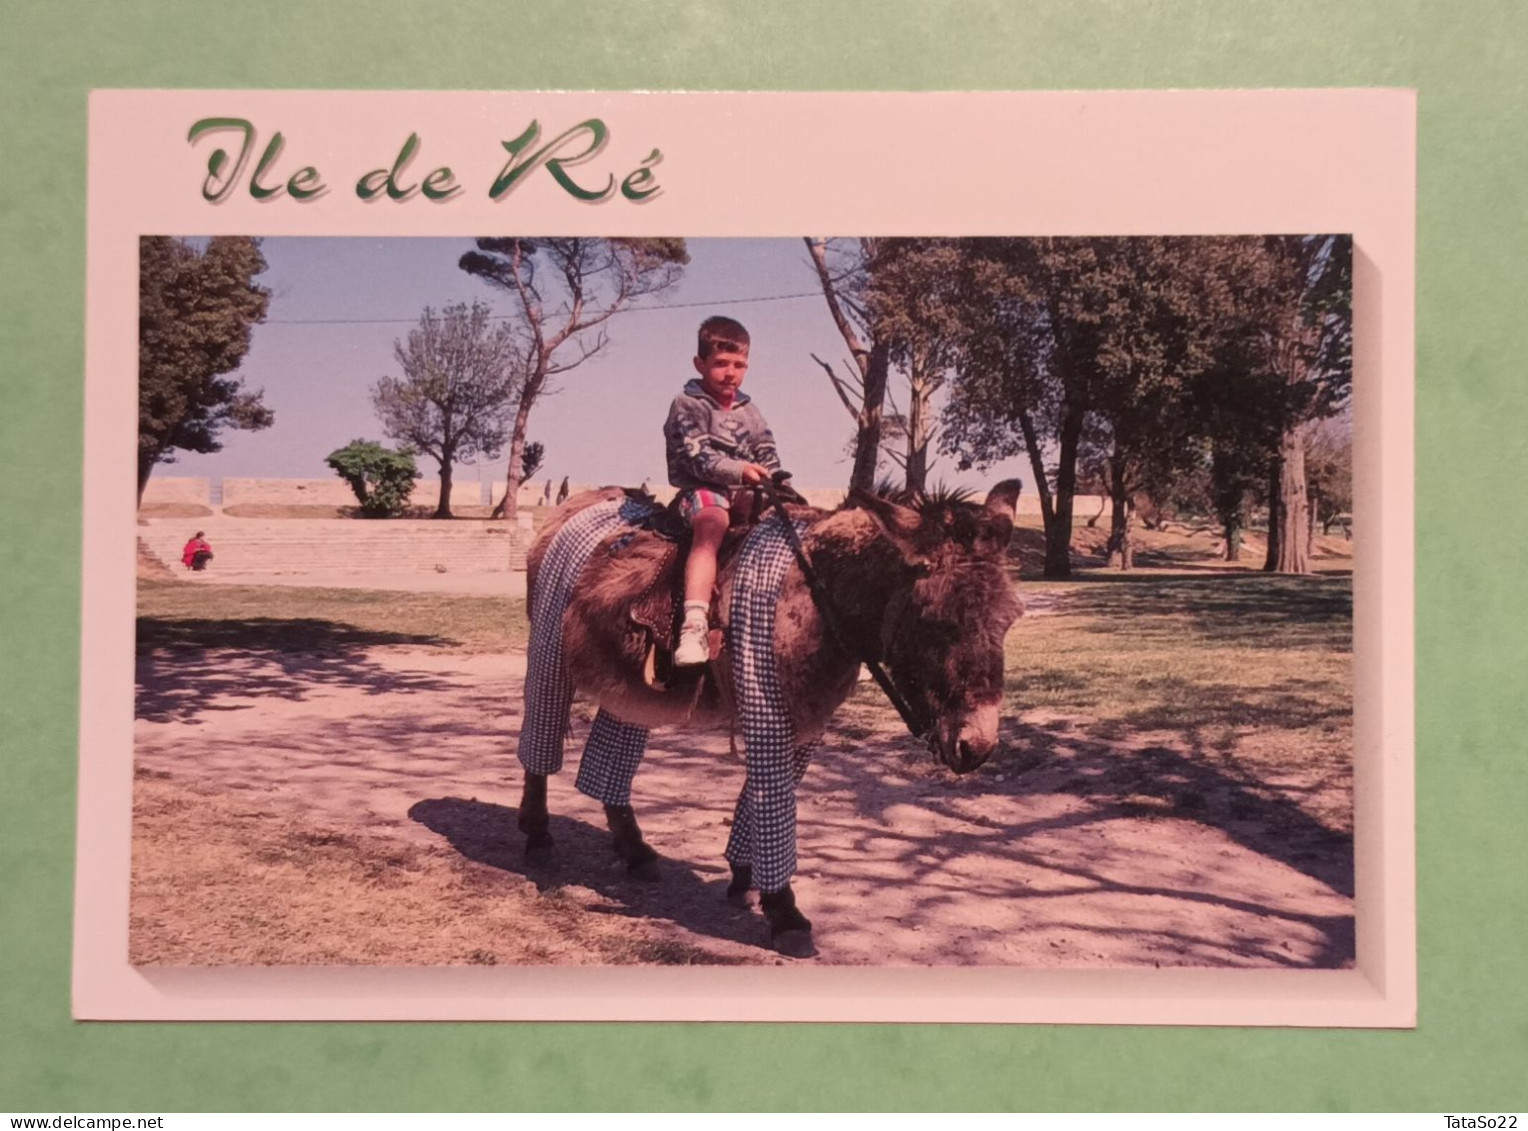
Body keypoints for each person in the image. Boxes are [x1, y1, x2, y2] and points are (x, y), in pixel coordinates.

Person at [663, 315, 782, 665]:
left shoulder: (750, 409)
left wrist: (779, 483)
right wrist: (741, 471)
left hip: (748, 490)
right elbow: (699, 458)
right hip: (702, 489)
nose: (731, 373)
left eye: (740, 365)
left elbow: (768, 452)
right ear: (700, 364)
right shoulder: (688, 403)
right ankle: (695, 624)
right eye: (721, 364)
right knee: (713, 522)